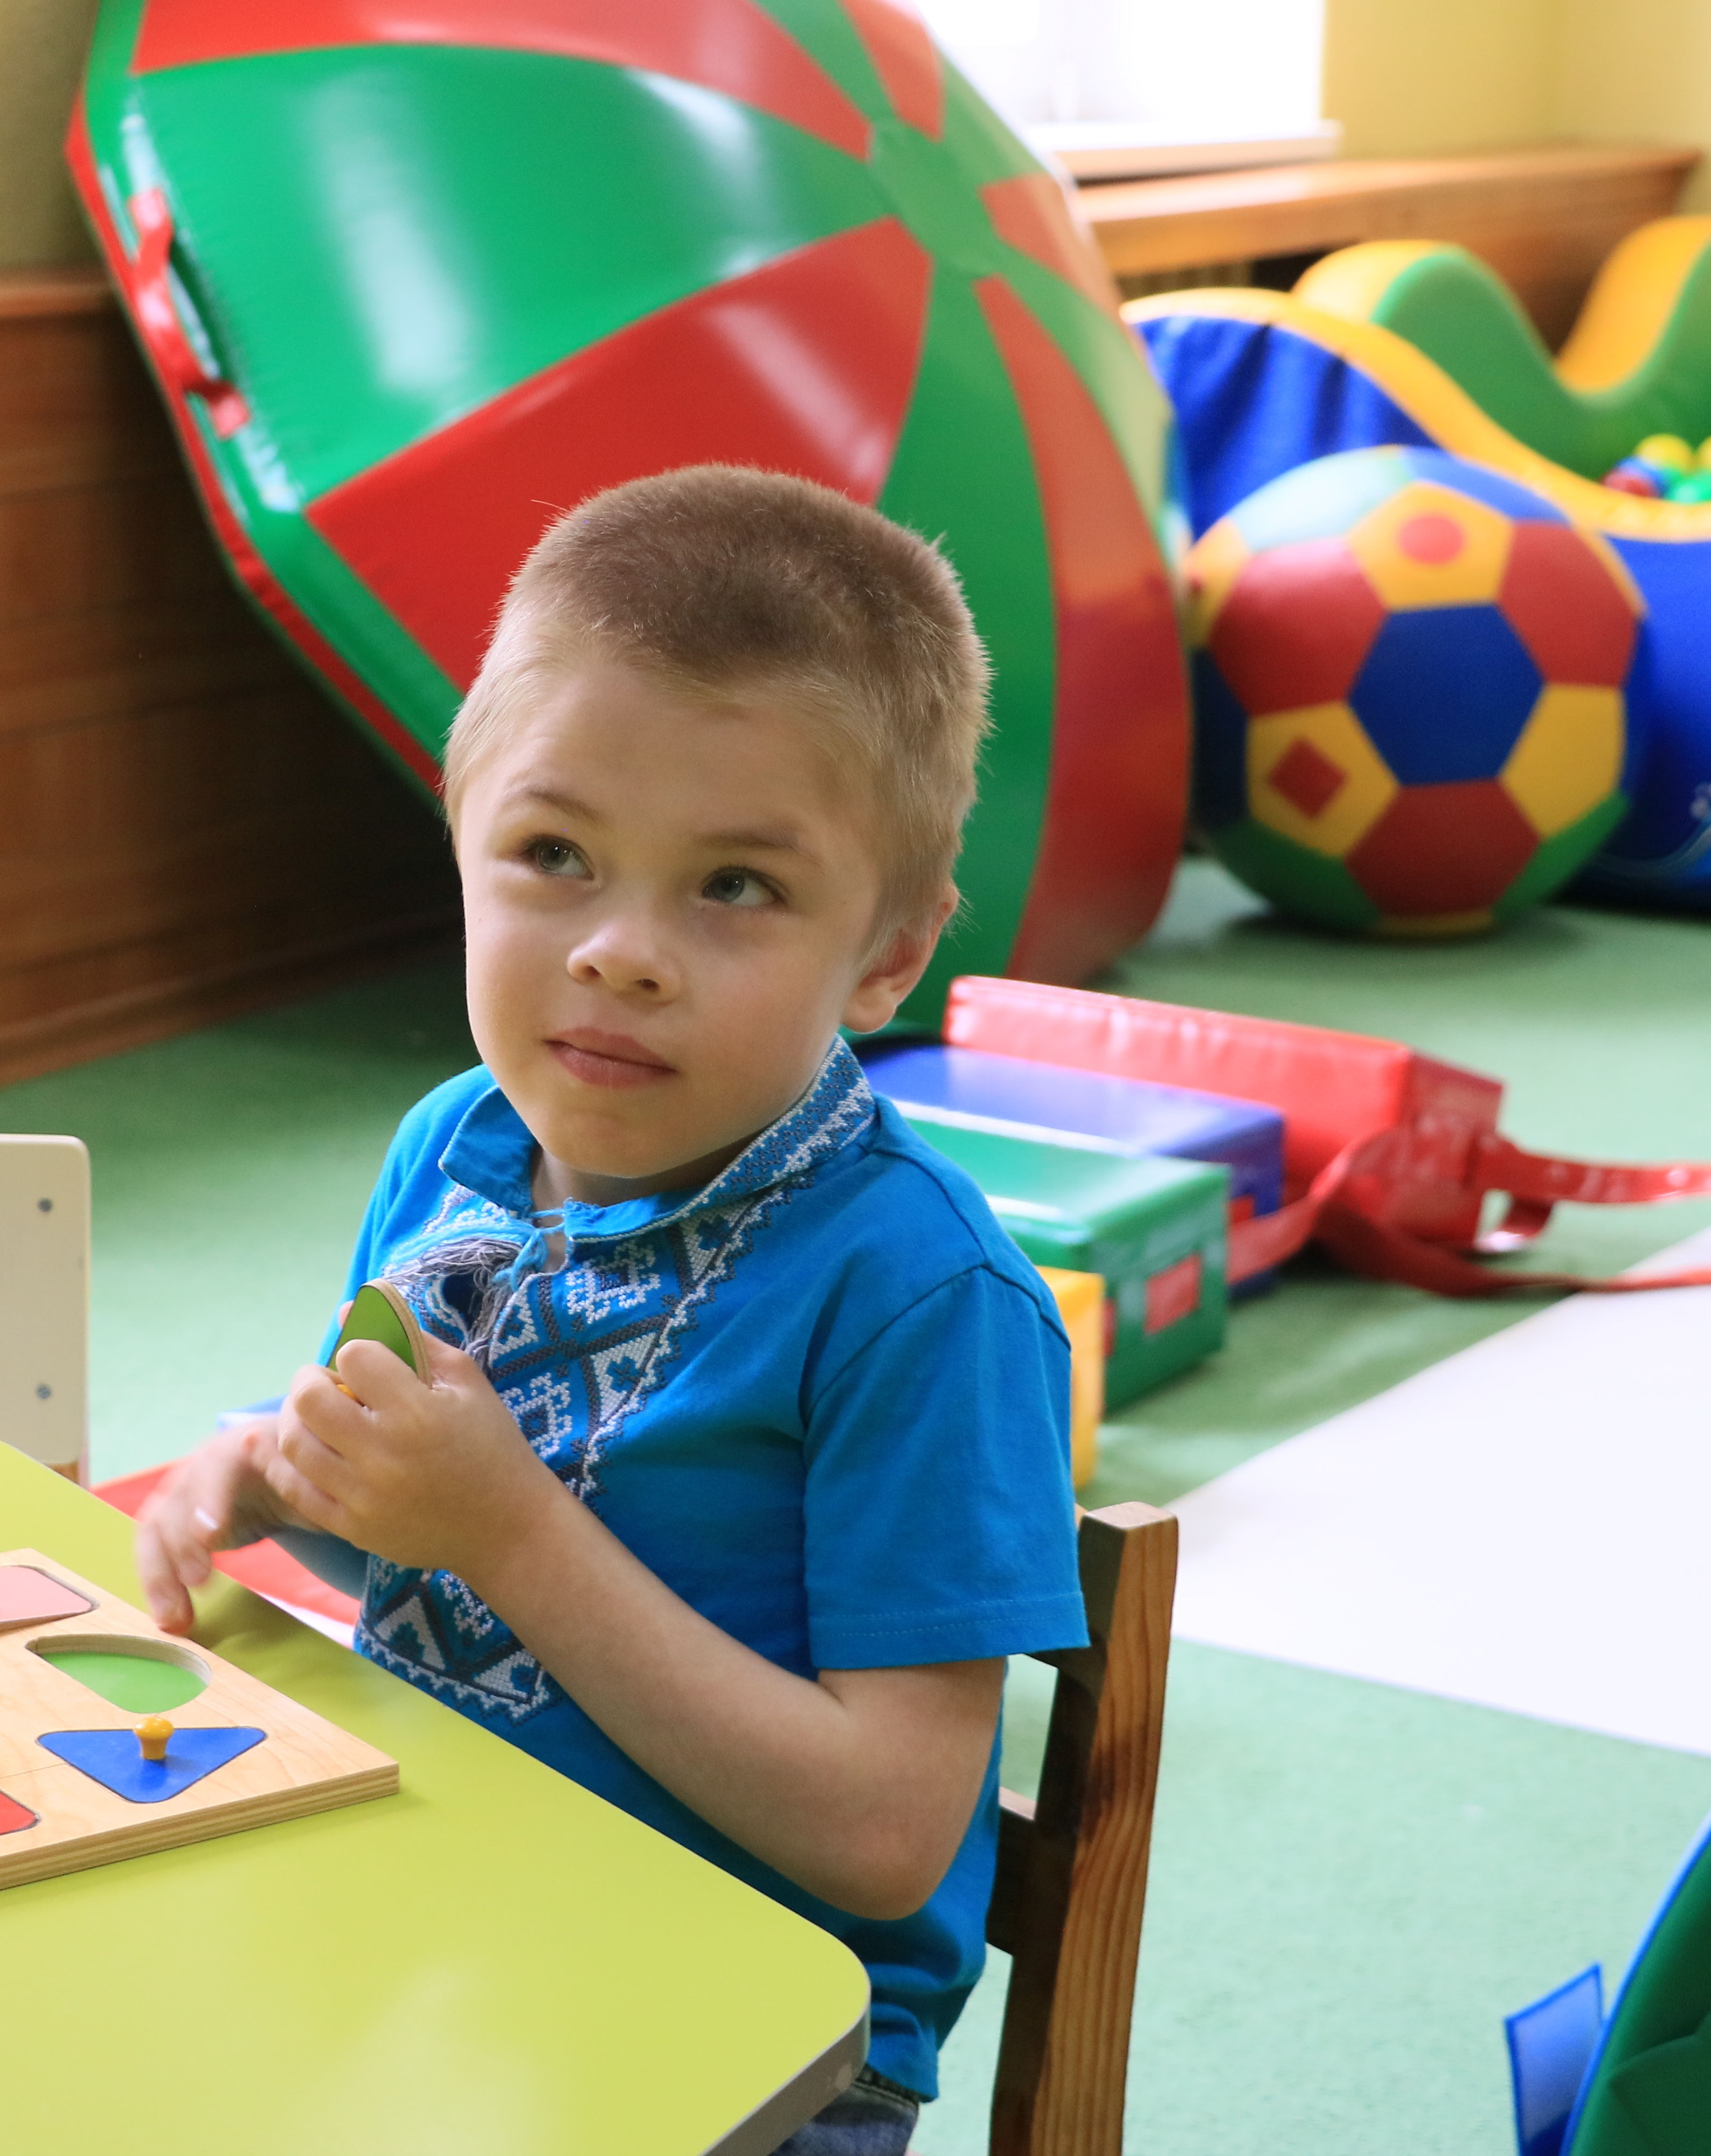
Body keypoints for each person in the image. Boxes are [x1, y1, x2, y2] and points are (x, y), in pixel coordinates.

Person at [136, 464, 1086, 2154]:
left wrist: (506, 1531)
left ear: (888, 954)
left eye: (737, 886)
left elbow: (886, 1834)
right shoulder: (456, 1146)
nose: (620, 952)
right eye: (554, 855)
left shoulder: (921, 1299)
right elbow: (430, 1552)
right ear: (462, 843)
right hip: (442, 1909)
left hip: (759, 2043)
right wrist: (292, 1475)